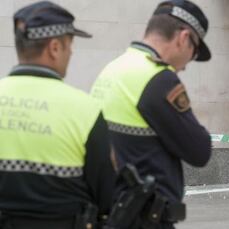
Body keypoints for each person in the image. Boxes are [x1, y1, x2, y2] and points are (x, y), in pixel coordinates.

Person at [90, 0, 212, 228]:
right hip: (145, 216)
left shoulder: (112, 69)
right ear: (183, 38)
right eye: (194, 52)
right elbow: (200, 151)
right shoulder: (157, 78)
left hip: (112, 213)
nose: (187, 65)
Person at [0, 1, 115, 228]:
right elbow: (106, 197)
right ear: (54, 47)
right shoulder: (85, 110)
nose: (71, 52)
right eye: (69, 45)